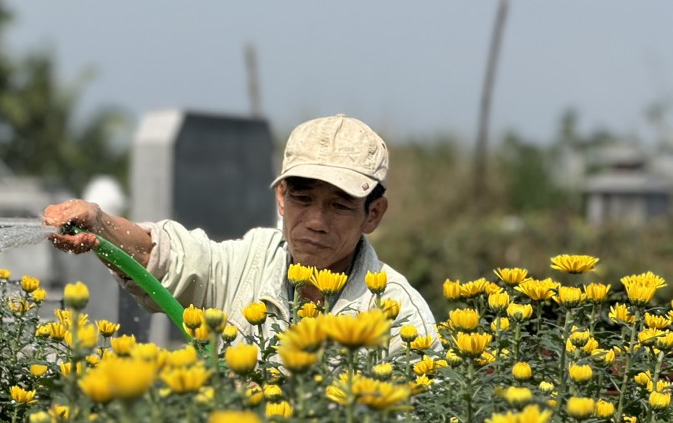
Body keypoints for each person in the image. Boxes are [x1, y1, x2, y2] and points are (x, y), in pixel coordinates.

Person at [43, 113, 437, 352]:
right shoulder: (250, 260)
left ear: (374, 214)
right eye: (303, 199)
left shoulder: (399, 317)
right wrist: (100, 224)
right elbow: (165, 257)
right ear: (281, 198)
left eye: (339, 205)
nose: (316, 221)